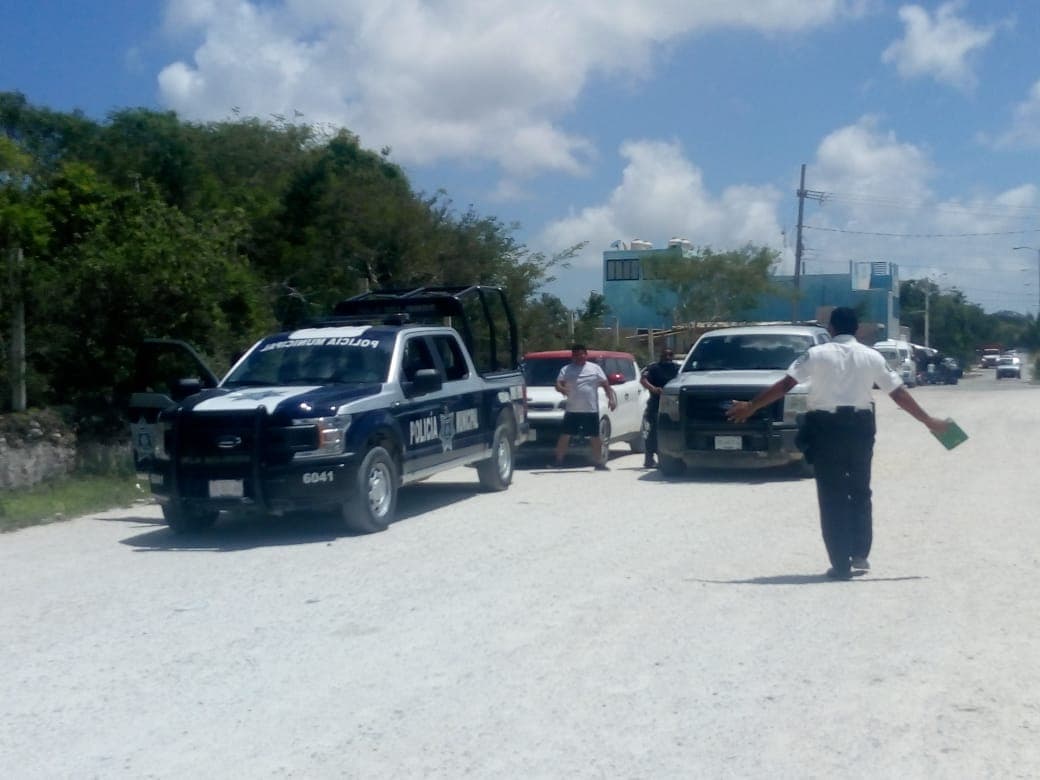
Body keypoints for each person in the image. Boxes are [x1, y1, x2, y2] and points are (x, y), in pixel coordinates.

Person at [724, 307, 948, 580]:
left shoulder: (816, 354)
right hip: (861, 427)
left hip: (826, 428)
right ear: (857, 330)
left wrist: (751, 406)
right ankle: (860, 554)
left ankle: (840, 564)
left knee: (832, 496)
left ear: (831, 329)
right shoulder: (872, 356)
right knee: (860, 490)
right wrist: (927, 420)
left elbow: (785, 385)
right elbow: (898, 393)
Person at [553, 344, 618, 470]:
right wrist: (562, 389)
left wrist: (611, 398)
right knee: (565, 435)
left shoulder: (595, 368)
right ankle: (558, 461)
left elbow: (605, 384)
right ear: (573, 356)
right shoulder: (566, 369)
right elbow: (557, 384)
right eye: (576, 354)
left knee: (594, 436)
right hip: (572, 409)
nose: (579, 357)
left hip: (590, 409)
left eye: (582, 354)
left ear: (586, 355)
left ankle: (599, 463)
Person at [639, 346, 679, 468]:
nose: (667, 357)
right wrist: (653, 389)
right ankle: (649, 459)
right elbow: (643, 380)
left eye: (670, 355)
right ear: (660, 356)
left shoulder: (678, 368)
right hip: (656, 405)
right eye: (665, 355)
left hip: (674, 405)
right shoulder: (653, 368)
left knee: (673, 432)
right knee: (653, 433)